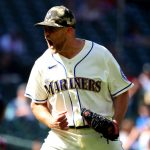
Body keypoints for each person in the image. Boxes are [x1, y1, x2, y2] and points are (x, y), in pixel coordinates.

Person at [25, 5, 134, 150]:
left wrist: (116, 124)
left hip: (100, 137)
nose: (46, 34)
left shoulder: (100, 54)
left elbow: (122, 92)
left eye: (52, 29)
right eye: (45, 29)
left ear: (69, 30)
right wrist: (51, 121)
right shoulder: (42, 63)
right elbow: (37, 104)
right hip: (62, 139)